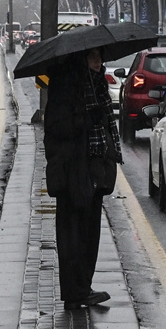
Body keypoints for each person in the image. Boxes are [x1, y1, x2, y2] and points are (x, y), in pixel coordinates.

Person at [44, 48, 121, 310]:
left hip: (96, 166)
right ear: (80, 59)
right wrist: (86, 120)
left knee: (90, 233)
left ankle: (83, 287)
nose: (98, 62)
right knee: (73, 234)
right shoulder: (66, 86)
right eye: (92, 58)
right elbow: (56, 128)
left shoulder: (98, 84)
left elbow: (106, 125)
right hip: (73, 170)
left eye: (100, 57)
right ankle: (74, 291)